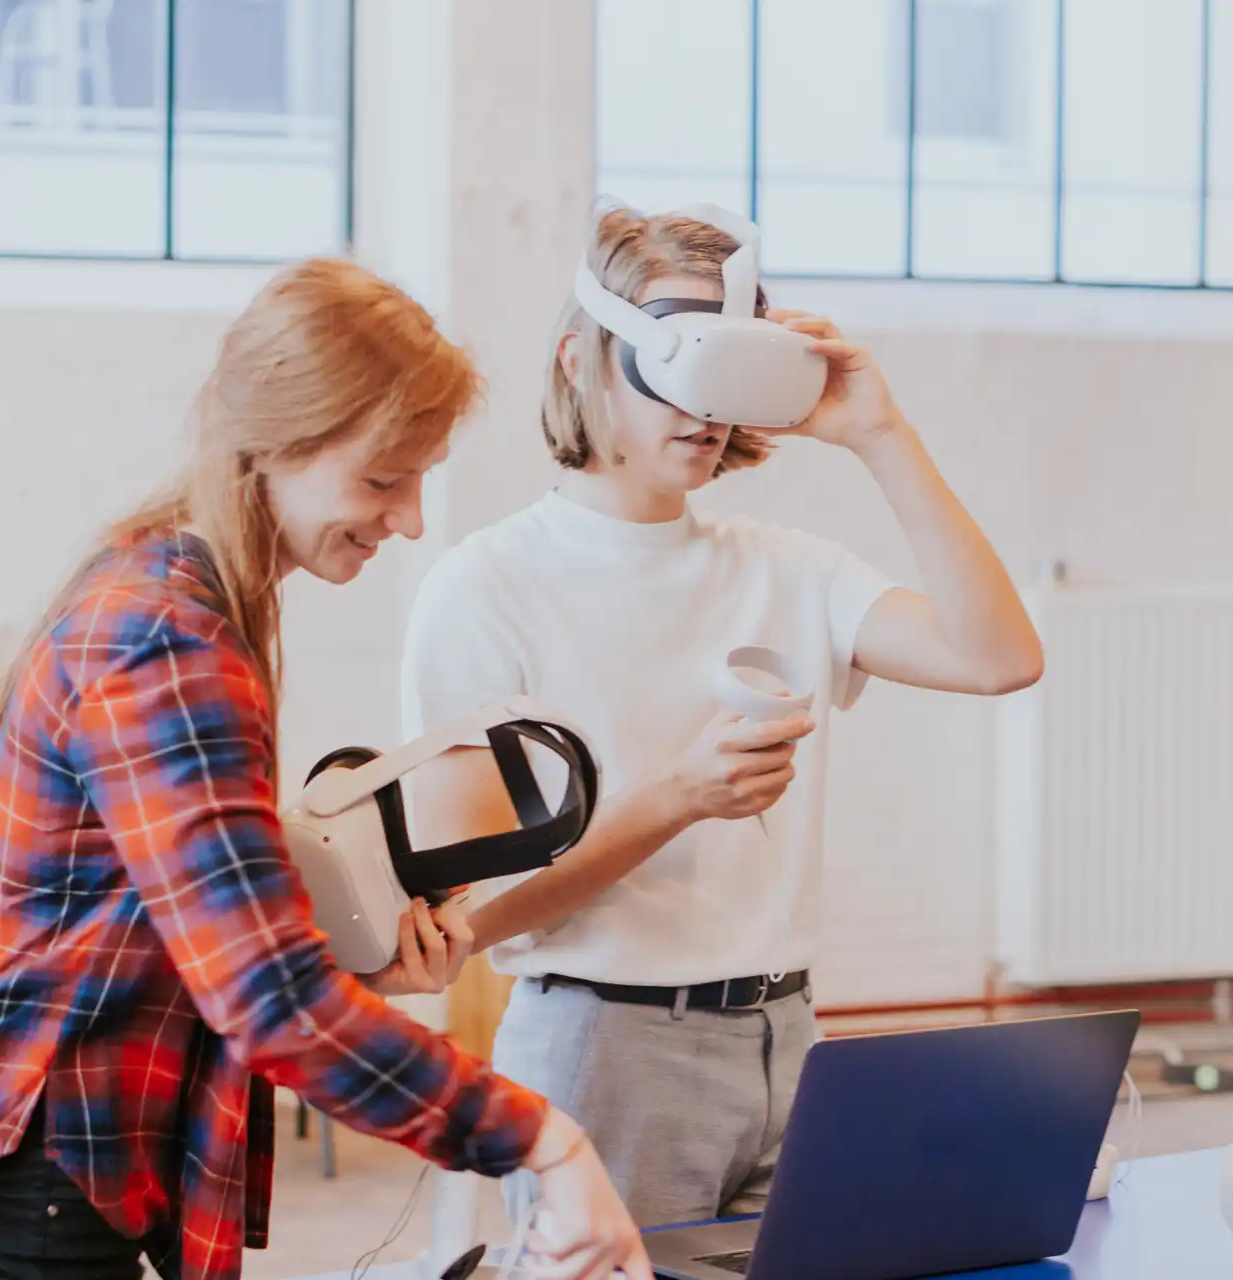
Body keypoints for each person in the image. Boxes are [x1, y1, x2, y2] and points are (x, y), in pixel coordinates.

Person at [0, 259, 651, 1280]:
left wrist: (336, 959)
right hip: (12, 1176)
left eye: (419, 479)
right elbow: (268, 1001)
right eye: (380, 477)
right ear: (274, 443)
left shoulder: (174, 585)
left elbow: (187, 922)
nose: (408, 519)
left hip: (29, 1163)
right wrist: (545, 1138)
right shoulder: (164, 638)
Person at [400, 205, 1044, 1229]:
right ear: (582, 357)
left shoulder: (788, 568)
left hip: (787, 1036)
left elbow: (1000, 656)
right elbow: (467, 917)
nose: (703, 408)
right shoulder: (485, 588)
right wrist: (676, 799)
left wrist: (881, 435)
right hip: (605, 1044)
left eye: (729, 367)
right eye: (676, 363)